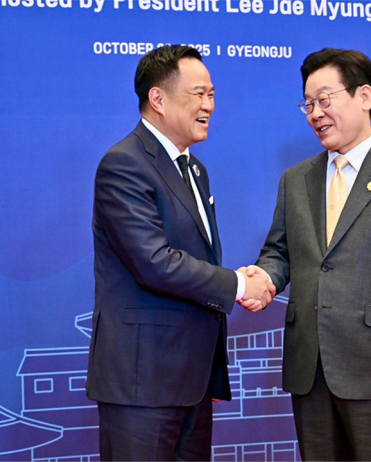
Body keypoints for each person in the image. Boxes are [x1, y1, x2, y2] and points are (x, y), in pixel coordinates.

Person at [240, 48, 371, 461]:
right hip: (310, 370)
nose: (315, 113)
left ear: (364, 96)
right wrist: (264, 278)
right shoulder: (296, 179)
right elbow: (280, 252)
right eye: (308, 104)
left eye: (324, 99)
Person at [86, 45, 274, 462]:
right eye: (198, 94)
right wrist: (239, 284)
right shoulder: (124, 164)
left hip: (192, 381)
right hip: (143, 383)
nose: (209, 105)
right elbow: (154, 263)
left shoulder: (194, 170)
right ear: (158, 99)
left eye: (212, 94)